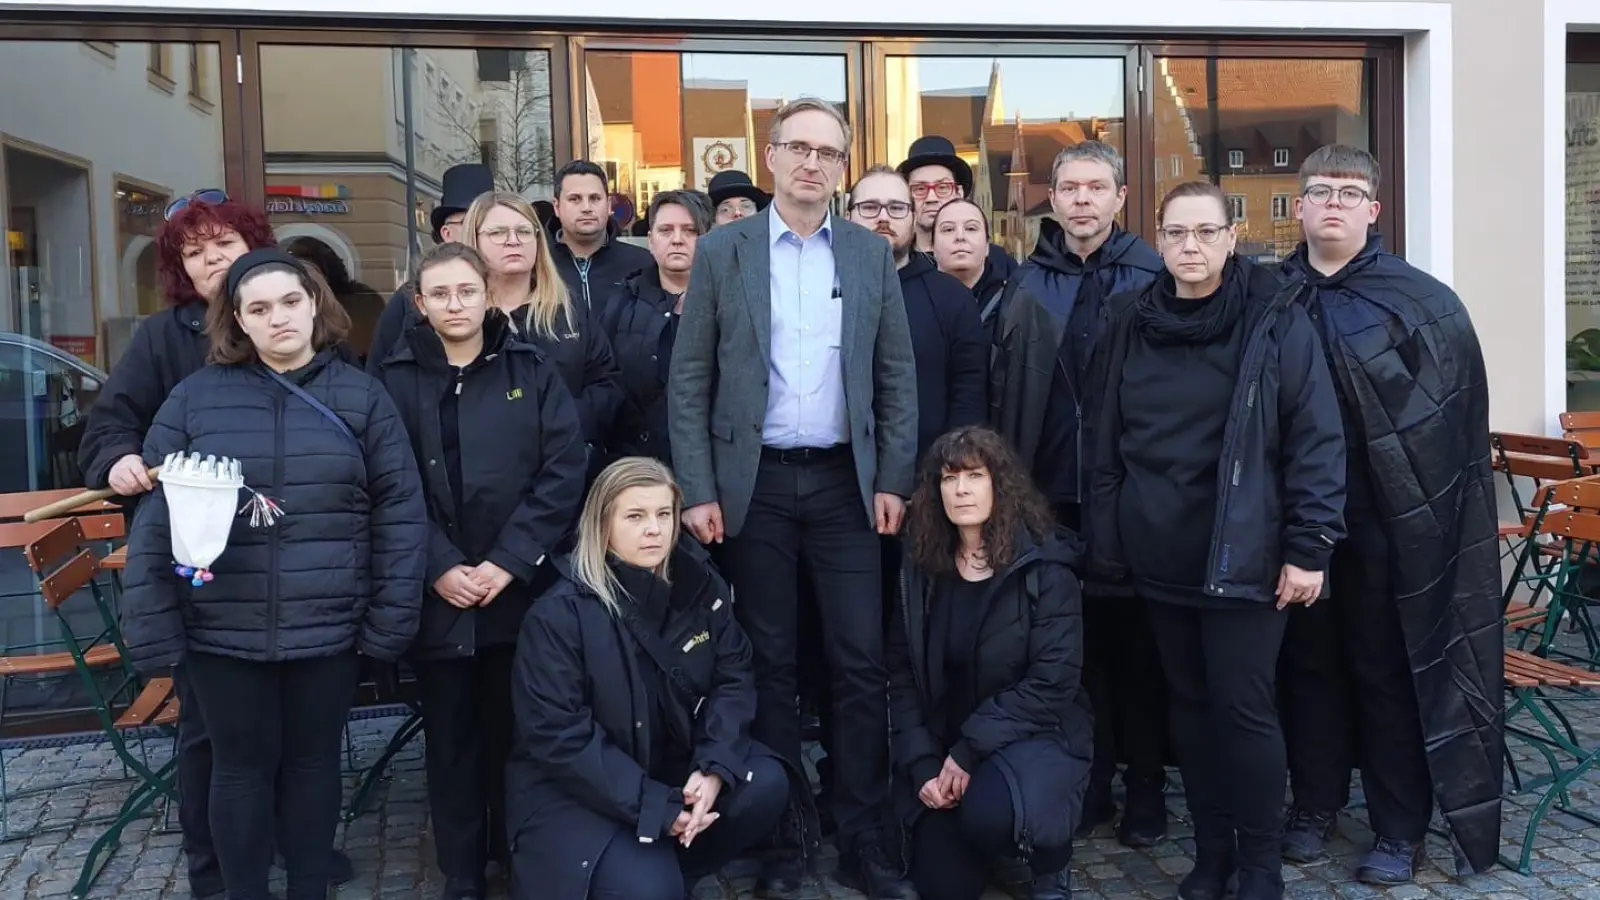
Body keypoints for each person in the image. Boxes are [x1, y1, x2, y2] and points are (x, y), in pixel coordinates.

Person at [667, 96, 918, 900]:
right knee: (767, 662)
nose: (814, 164)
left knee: (859, 661)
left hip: (848, 484)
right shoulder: (723, 252)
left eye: (829, 153)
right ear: (770, 156)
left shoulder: (868, 255)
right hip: (758, 485)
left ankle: (863, 831)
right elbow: (690, 380)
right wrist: (699, 490)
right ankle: (783, 832)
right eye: (799, 148)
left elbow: (895, 376)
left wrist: (892, 478)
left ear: (842, 168)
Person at [119, 248, 427, 900]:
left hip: (327, 625)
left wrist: (389, 618)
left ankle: (310, 887)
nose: (279, 317)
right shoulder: (194, 397)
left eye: (290, 301)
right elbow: (155, 519)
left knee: (313, 767)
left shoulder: (361, 396)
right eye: (259, 308)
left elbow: (401, 511)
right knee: (239, 769)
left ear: (315, 303)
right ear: (237, 319)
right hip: (221, 628)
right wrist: (154, 630)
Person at [74, 192, 357, 898]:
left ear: (252, 248)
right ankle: (217, 865)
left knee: (299, 737)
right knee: (213, 733)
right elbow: (111, 425)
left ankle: (299, 850)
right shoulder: (163, 339)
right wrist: (119, 461)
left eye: (223, 244)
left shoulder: (300, 324)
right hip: (209, 570)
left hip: (298, 562)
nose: (212, 260)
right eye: (194, 252)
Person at [1087, 181, 1346, 900]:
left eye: (1205, 233)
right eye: (1176, 233)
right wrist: (1110, 545)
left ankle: (1260, 867)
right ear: (1158, 240)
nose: (1190, 247)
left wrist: (1310, 546)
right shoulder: (1127, 317)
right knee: (1190, 710)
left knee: (1242, 707)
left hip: (1247, 555)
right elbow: (1105, 440)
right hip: (1159, 550)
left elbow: (1316, 439)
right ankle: (1212, 854)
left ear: (1232, 239)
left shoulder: (1274, 318)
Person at [1275, 144, 1504, 882]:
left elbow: (1447, 426)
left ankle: (1398, 827)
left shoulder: (1422, 302)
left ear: (1374, 209)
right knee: (1306, 669)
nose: (1333, 203)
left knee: (1386, 671)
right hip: (1294, 526)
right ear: (1299, 207)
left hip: (1390, 528)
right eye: (1319, 190)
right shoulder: (1267, 297)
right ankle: (1314, 803)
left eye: (1349, 192)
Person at [374, 242, 588, 900]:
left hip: (517, 590)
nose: (455, 304)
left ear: (488, 294)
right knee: (451, 740)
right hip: (437, 590)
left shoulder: (532, 365)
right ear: (420, 303)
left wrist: (509, 561)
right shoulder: (392, 377)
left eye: (467, 291)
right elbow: (387, 481)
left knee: (519, 735)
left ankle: (520, 859)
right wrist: (439, 566)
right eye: (440, 294)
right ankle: (462, 874)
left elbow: (562, 471)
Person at [989, 140, 1169, 845]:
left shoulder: (1153, 274)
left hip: (1137, 501)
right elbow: (1010, 394)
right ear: (1053, 199)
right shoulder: (1029, 284)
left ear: (1121, 198)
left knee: (1142, 654)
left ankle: (1148, 788)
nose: (1083, 200)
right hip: (1055, 500)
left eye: (1097, 187)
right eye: (1070, 188)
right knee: (1074, 657)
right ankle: (1089, 783)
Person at [505, 457, 790, 900]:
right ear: (602, 525)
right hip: (580, 794)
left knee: (765, 782)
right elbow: (560, 737)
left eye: (664, 514)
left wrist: (714, 766)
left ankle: (669, 863)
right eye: (635, 516)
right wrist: (654, 805)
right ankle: (646, 871)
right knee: (649, 889)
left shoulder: (701, 586)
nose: (654, 529)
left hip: (667, 767)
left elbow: (733, 676)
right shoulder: (558, 615)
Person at [888, 426, 1089, 900]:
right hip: (948, 743)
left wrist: (968, 750)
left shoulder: (1045, 568)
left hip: (1035, 737)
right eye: (948, 478)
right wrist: (922, 764)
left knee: (988, 814)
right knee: (941, 887)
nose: (960, 490)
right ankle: (984, 835)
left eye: (974, 476)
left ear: (999, 484)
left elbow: (1052, 683)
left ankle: (1049, 857)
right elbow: (899, 674)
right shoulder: (922, 569)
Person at [460, 190, 624, 482]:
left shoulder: (569, 311)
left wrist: (560, 420)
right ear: (474, 239)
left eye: (524, 231)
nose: (513, 240)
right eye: (498, 232)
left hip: (567, 472)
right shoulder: (458, 316)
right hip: (480, 480)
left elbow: (607, 384)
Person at [598, 190, 712, 469]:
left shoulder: (730, 304)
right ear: (650, 240)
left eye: (690, 230)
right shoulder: (622, 302)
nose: (677, 239)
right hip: (636, 464)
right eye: (665, 230)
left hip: (710, 465)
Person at [367, 163, 496, 369]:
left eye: (487, 222)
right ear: (447, 234)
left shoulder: (526, 287)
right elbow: (380, 369)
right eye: (468, 222)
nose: (480, 231)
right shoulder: (408, 298)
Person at [897, 135, 1017, 284]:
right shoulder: (896, 264)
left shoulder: (999, 265)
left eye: (942, 187)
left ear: (959, 193)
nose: (931, 198)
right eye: (920, 189)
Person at [547, 160, 653, 308]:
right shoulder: (538, 265)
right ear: (556, 207)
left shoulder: (643, 264)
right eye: (574, 199)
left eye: (595, 198)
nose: (586, 208)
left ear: (609, 205)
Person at [932, 199, 1012, 328]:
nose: (960, 236)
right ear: (933, 247)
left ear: (987, 245)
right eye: (948, 229)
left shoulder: (1014, 298)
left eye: (970, 228)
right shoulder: (915, 299)